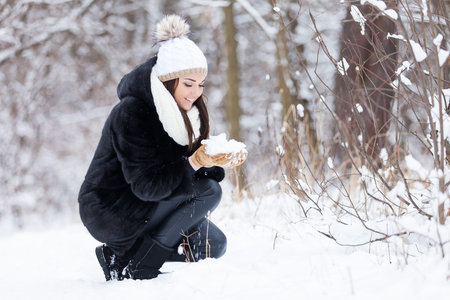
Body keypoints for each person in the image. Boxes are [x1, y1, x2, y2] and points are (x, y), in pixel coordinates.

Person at [78, 15, 246, 281]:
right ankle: (142, 265)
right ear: (168, 81)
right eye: (188, 84)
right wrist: (195, 163)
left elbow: (188, 173)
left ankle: (119, 256)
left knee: (213, 245)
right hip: (112, 208)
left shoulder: (191, 112)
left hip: (154, 203)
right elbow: (147, 186)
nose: (195, 93)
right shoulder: (131, 112)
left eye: (200, 84)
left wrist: (214, 160)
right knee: (209, 192)